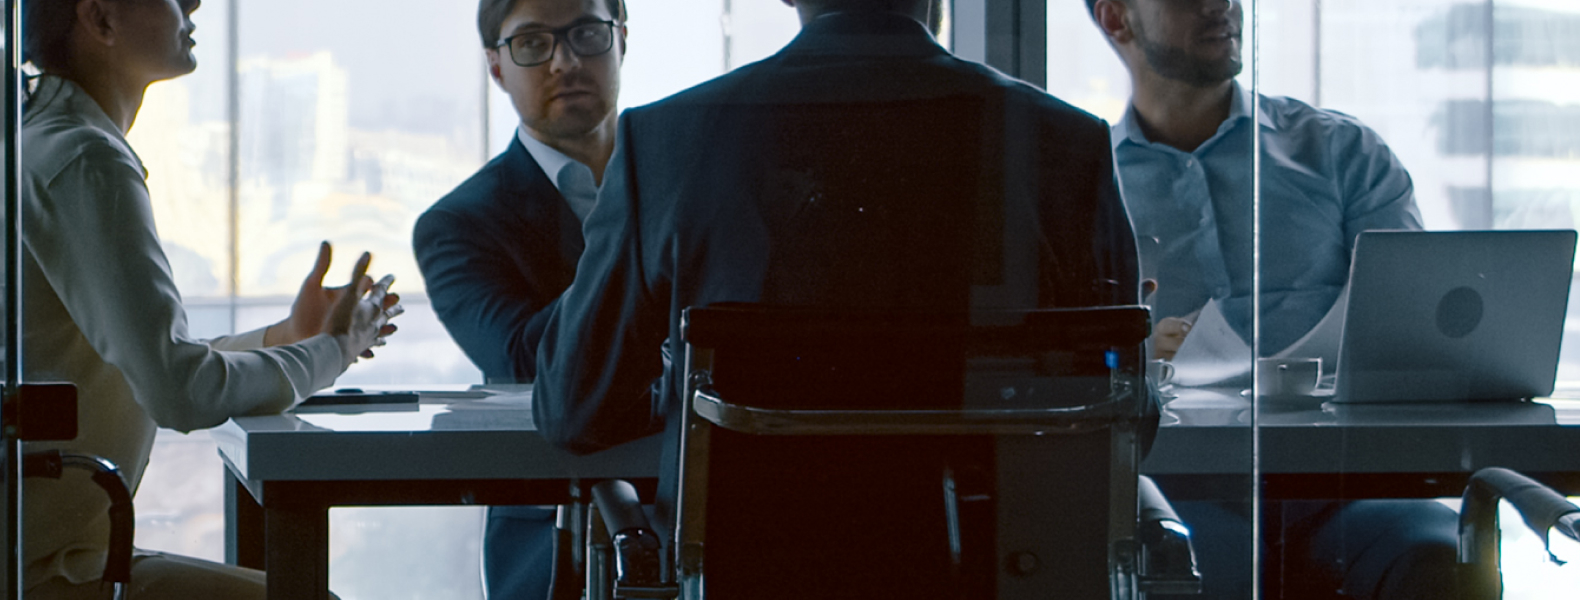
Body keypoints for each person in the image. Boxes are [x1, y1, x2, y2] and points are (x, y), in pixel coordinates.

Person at [532, 0, 1138, 594]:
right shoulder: (1065, 142)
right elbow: (1120, 410)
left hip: (746, 570)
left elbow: (573, 406)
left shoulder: (669, 140)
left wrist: (690, 381)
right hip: (999, 567)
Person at [15, 0, 399, 597]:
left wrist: (286, 337)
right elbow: (180, 390)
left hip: (55, 557)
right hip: (47, 572)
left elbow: (154, 359)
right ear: (101, 21)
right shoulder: (84, 158)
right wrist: (332, 351)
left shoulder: (48, 141)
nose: (194, 3)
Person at [1087, 1, 1456, 598]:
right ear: (1117, 19)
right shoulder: (1089, 184)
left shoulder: (1343, 153)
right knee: (1185, 564)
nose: (1222, 5)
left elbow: (1419, 324)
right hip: (1181, 489)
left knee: (1437, 555)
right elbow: (1062, 359)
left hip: (1348, 486)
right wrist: (1130, 347)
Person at [412, 0, 626, 597]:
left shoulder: (687, 181)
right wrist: (636, 227)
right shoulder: (458, 223)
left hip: (715, 515)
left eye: (587, 33)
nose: (565, 61)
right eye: (532, 43)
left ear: (622, 39)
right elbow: (528, 358)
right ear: (497, 68)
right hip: (554, 533)